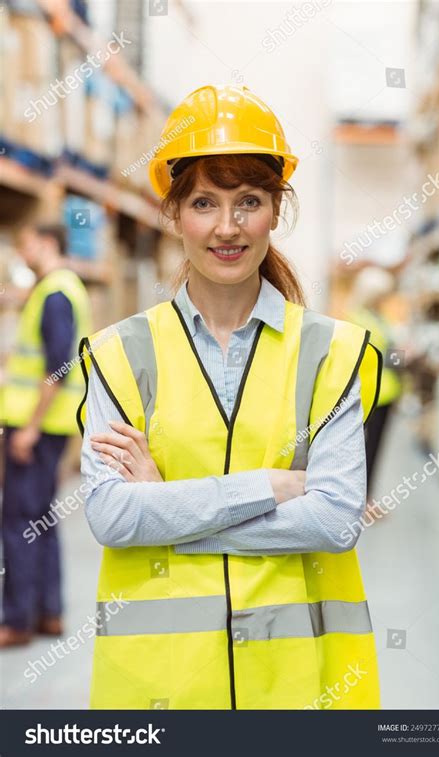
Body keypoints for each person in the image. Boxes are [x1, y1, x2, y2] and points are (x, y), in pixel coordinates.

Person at [77, 84, 382, 710]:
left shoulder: (332, 354)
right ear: (173, 212)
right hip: (162, 692)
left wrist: (164, 509)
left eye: (249, 201)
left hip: (295, 687)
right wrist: (269, 486)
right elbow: (111, 517)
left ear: (277, 209)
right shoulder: (118, 355)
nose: (226, 226)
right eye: (203, 202)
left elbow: (333, 519)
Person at [0, 224, 92, 647]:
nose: (22, 251)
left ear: (48, 243)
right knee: (41, 520)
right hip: (50, 427)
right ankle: (48, 613)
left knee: (20, 521)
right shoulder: (62, 288)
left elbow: (59, 364)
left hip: (35, 428)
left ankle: (17, 621)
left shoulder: (55, 291)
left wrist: (31, 428)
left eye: (26, 242)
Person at [347, 267, 402, 501]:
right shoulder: (358, 319)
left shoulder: (378, 316)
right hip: (372, 393)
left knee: (375, 448)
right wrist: (401, 357)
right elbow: (377, 355)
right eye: (382, 294)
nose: (385, 299)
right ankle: (362, 502)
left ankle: (367, 498)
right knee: (365, 450)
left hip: (387, 391)